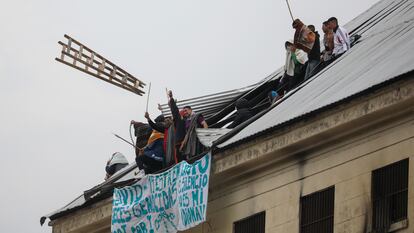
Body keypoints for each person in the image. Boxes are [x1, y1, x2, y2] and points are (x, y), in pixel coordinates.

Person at [168, 90, 187, 162]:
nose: (185, 113)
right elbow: (175, 111)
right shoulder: (179, 121)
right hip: (179, 143)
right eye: (184, 112)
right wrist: (171, 98)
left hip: (186, 143)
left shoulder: (189, 121)